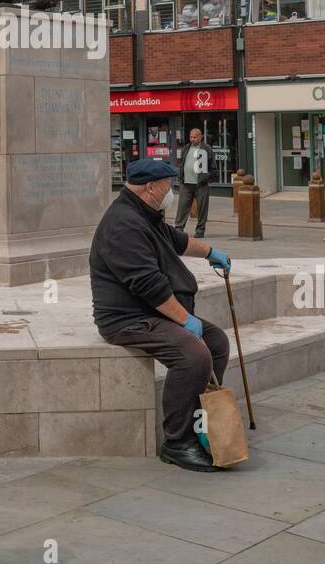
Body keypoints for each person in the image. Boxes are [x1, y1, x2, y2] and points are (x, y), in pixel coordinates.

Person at [89, 156, 232, 473]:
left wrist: (212, 253)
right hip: (129, 317)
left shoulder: (145, 213)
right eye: (168, 186)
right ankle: (177, 442)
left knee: (217, 342)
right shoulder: (122, 224)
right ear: (151, 187)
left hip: (153, 311)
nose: (172, 192)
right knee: (193, 355)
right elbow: (148, 286)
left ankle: (200, 420)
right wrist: (185, 320)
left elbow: (177, 240)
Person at [174, 127, 217, 239]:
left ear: (200, 137)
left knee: (202, 208)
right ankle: (179, 229)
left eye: (194, 137)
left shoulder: (207, 149)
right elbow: (182, 163)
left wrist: (206, 178)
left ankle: (200, 230)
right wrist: (181, 176)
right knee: (182, 207)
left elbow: (213, 167)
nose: (192, 139)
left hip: (201, 185)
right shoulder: (186, 148)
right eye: (190, 137)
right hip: (186, 183)